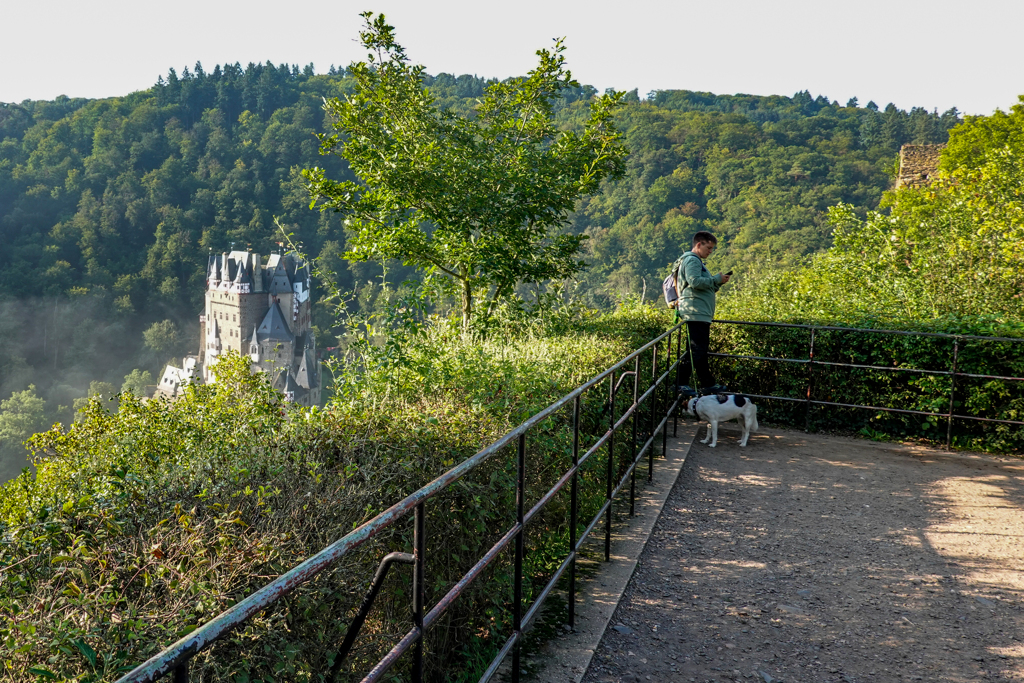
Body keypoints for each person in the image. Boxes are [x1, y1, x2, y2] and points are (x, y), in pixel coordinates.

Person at [676, 231, 730, 395]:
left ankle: (708, 383)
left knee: (699, 350)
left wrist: (717, 282)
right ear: (699, 244)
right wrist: (715, 280)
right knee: (696, 350)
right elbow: (694, 281)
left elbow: (700, 285)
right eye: (709, 247)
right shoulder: (692, 261)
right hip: (695, 312)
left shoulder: (694, 261)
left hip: (698, 312)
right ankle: (680, 383)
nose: (710, 251)